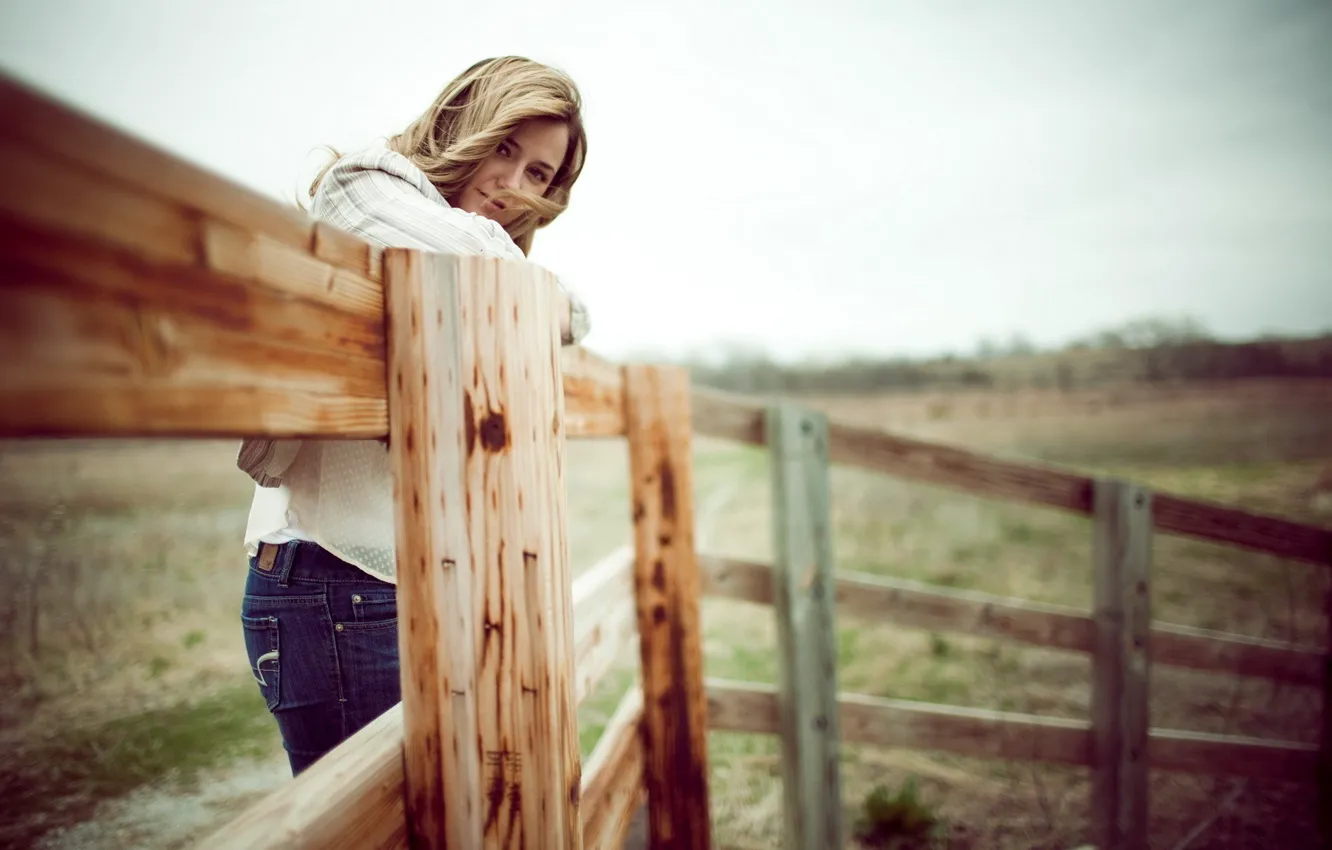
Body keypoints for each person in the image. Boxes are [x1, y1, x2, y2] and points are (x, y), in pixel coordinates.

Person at [234, 55, 591, 775]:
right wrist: (529, 285)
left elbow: (574, 312)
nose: (511, 186)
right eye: (505, 148)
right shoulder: (362, 186)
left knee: (447, 810)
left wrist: (532, 287)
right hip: (334, 577)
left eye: (539, 177)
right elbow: (518, 285)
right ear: (463, 121)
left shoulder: (477, 256)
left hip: (415, 575)